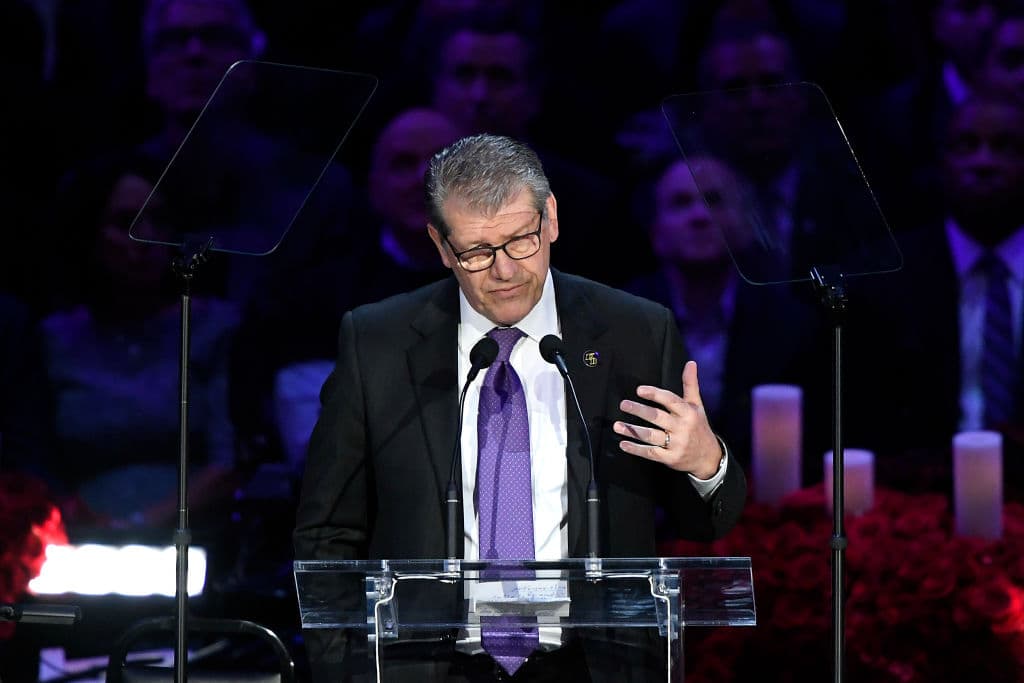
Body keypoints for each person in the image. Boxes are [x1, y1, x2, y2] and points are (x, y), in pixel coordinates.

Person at [293, 134, 746, 682]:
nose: (505, 271)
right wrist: (342, 671)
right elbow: (326, 531)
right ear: (440, 245)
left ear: (550, 218)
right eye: (477, 252)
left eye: (520, 241)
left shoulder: (636, 332)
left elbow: (702, 524)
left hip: (589, 664)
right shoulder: (377, 343)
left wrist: (705, 463)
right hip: (425, 664)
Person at [846, 90, 1024, 496]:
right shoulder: (887, 277)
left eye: (1005, 147)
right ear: (942, 163)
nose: (984, 162)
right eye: (967, 146)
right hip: (919, 498)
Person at [624, 154, 828, 491]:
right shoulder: (622, 320)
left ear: (746, 223)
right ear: (656, 230)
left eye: (715, 201)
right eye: (681, 203)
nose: (700, 216)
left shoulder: (792, 324)